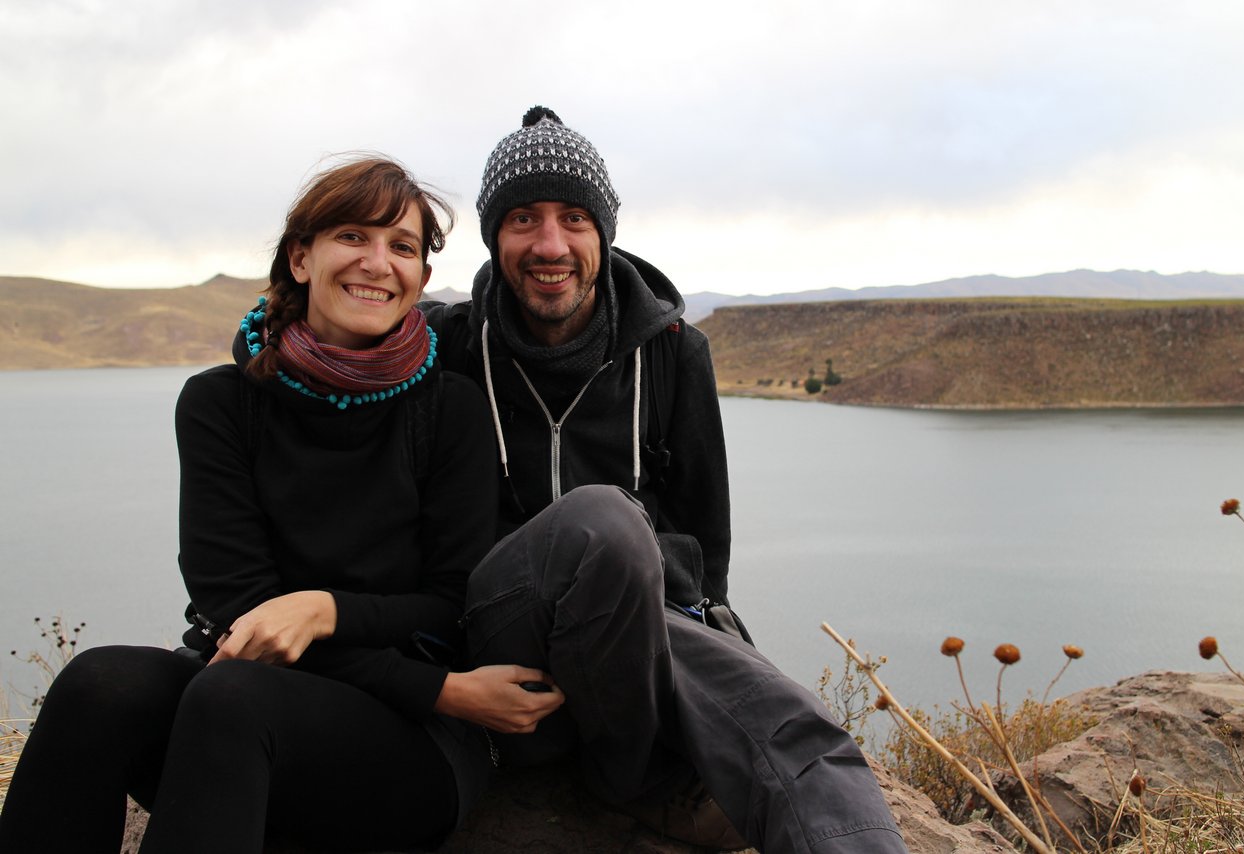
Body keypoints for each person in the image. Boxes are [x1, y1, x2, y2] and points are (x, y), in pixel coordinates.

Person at [0, 157, 540, 854]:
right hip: (259, 698)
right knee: (99, 682)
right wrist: (440, 685)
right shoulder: (221, 404)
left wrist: (324, 611)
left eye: (402, 247)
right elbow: (236, 603)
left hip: (408, 739)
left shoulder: (450, 409)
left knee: (233, 698)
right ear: (301, 256)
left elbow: (449, 599)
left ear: (422, 281)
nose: (378, 263)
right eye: (353, 236)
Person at [425, 107, 907, 853]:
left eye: (573, 219)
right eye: (523, 218)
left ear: (604, 232)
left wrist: (716, 653)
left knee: (792, 728)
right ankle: (644, 789)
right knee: (606, 525)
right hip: (500, 645)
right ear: (493, 235)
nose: (550, 244)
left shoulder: (675, 352)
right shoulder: (449, 344)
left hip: (631, 638)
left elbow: (705, 540)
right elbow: (332, 325)